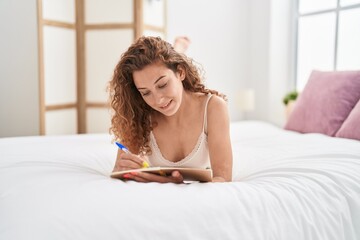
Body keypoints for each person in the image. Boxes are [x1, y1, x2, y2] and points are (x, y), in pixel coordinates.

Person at [109, 36, 232, 183]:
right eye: (145, 92)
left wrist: (178, 186)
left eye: (162, 85)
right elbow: (122, 170)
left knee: (173, 57)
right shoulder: (139, 112)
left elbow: (223, 179)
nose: (158, 100)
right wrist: (120, 169)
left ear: (181, 72)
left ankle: (179, 47)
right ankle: (176, 52)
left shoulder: (213, 107)